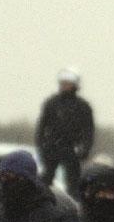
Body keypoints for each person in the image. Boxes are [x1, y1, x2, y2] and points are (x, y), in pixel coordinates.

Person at [35, 68, 95, 196]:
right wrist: (41, 146)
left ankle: (75, 206)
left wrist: (85, 149)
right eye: (63, 83)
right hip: (52, 148)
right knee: (46, 179)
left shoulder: (83, 106)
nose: (65, 86)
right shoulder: (51, 104)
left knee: (74, 182)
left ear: (75, 85)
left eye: (68, 83)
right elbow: (41, 126)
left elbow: (89, 131)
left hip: (72, 149)